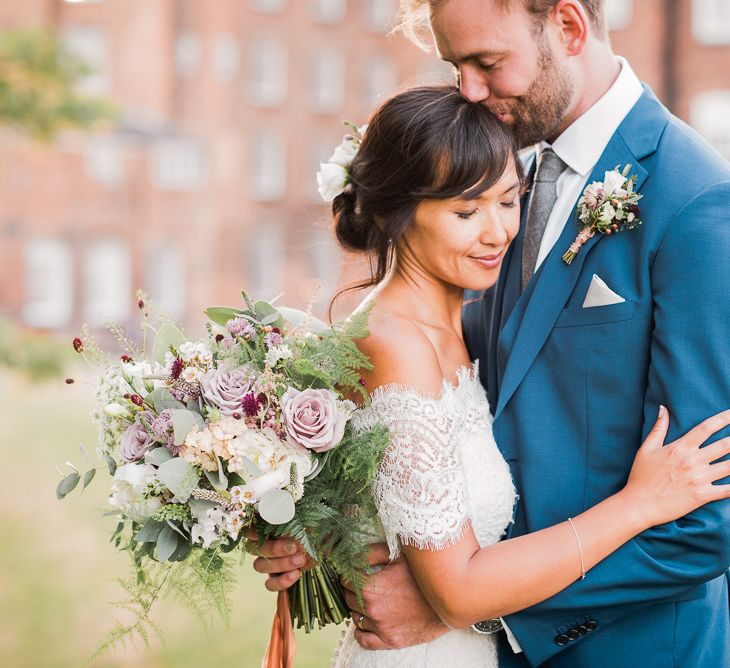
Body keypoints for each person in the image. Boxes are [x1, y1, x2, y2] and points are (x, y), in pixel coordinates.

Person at [250, 84, 730, 667]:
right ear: (398, 214)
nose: (498, 231)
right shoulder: (394, 342)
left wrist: (320, 534)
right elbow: (459, 590)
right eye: (464, 211)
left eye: (508, 201)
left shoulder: (463, 322)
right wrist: (639, 502)